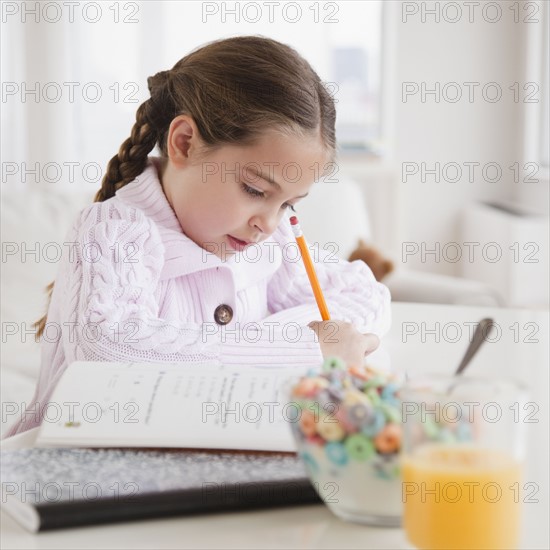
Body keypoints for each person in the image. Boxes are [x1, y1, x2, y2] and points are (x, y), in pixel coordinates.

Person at [5, 35, 390, 437]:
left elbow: (369, 300)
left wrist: (310, 344)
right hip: (75, 469)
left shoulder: (267, 244)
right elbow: (110, 353)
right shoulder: (115, 231)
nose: (270, 223)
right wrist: (305, 348)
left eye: (288, 204)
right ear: (184, 143)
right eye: (255, 191)